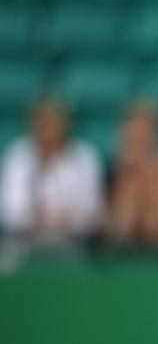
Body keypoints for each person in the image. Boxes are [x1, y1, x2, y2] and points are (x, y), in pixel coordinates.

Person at [0, 96, 104, 244]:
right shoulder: (18, 156)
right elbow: (9, 211)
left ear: (66, 123)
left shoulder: (85, 157)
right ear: (33, 123)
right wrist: (37, 219)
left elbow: (92, 209)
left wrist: (66, 219)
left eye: (54, 121)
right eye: (43, 122)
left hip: (73, 242)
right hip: (23, 242)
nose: (48, 128)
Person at [106, 99, 158, 250]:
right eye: (136, 124)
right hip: (127, 226)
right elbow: (118, 210)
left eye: (146, 126)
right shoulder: (118, 161)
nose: (140, 131)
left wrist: (148, 176)